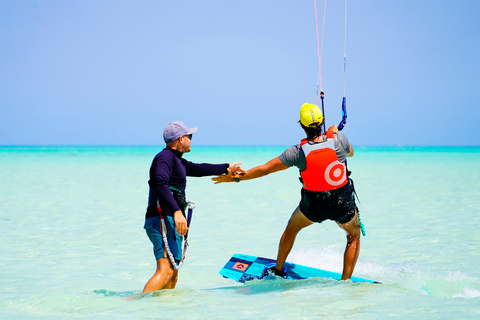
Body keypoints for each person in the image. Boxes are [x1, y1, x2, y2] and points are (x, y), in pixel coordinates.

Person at [212, 103, 361, 281]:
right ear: (322, 122)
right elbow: (350, 153)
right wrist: (335, 134)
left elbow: (265, 169)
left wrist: (236, 177)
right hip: (341, 202)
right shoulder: (339, 140)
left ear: (302, 126)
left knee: (292, 228)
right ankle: (345, 281)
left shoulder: (296, 153)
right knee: (353, 235)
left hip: (313, 206)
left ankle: (279, 269)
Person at [142, 121, 244, 293]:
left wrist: (227, 167)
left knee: (173, 274)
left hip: (169, 219)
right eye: (190, 136)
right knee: (165, 270)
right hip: (162, 218)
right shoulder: (164, 158)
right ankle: (136, 304)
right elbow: (159, 183)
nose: (191, 139)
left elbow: (200, 168)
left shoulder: (177, 161)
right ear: (181, 139)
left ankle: (162, 310)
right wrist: (176, 212)